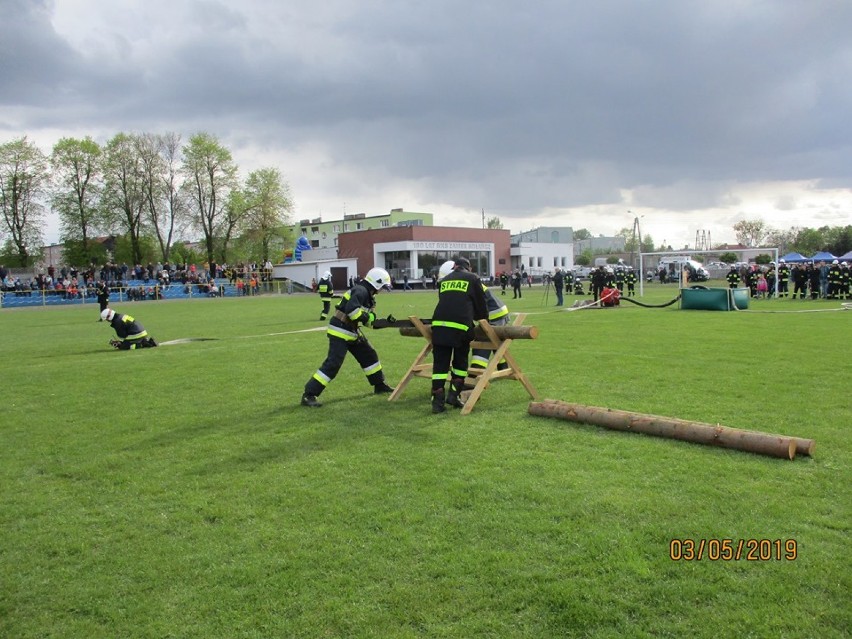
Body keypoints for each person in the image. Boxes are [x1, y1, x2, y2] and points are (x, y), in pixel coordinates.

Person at [301, 267, 395, 407]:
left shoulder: (368, 295)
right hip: (340, 330)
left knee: (369, 355)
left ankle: (379, 385)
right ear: (377, 283)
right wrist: (369, 316)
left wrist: (383, 323)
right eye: (382, 287)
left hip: (351, 330)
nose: (382, 290)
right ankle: (309, 395)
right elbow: (353, 312)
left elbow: (366, 321)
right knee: (333, 364)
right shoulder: (361, 291)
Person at [430, 257, 488, 414]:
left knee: (440, 366)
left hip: (439, 327)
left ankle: (437, 402)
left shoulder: (444, 280)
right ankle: (454, 395)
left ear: (454, 266)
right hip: (460, 328)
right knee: (460, 364)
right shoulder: (473, 278)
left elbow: (447, 301)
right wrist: (483, 320)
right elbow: (481, 304)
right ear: (468, 267)